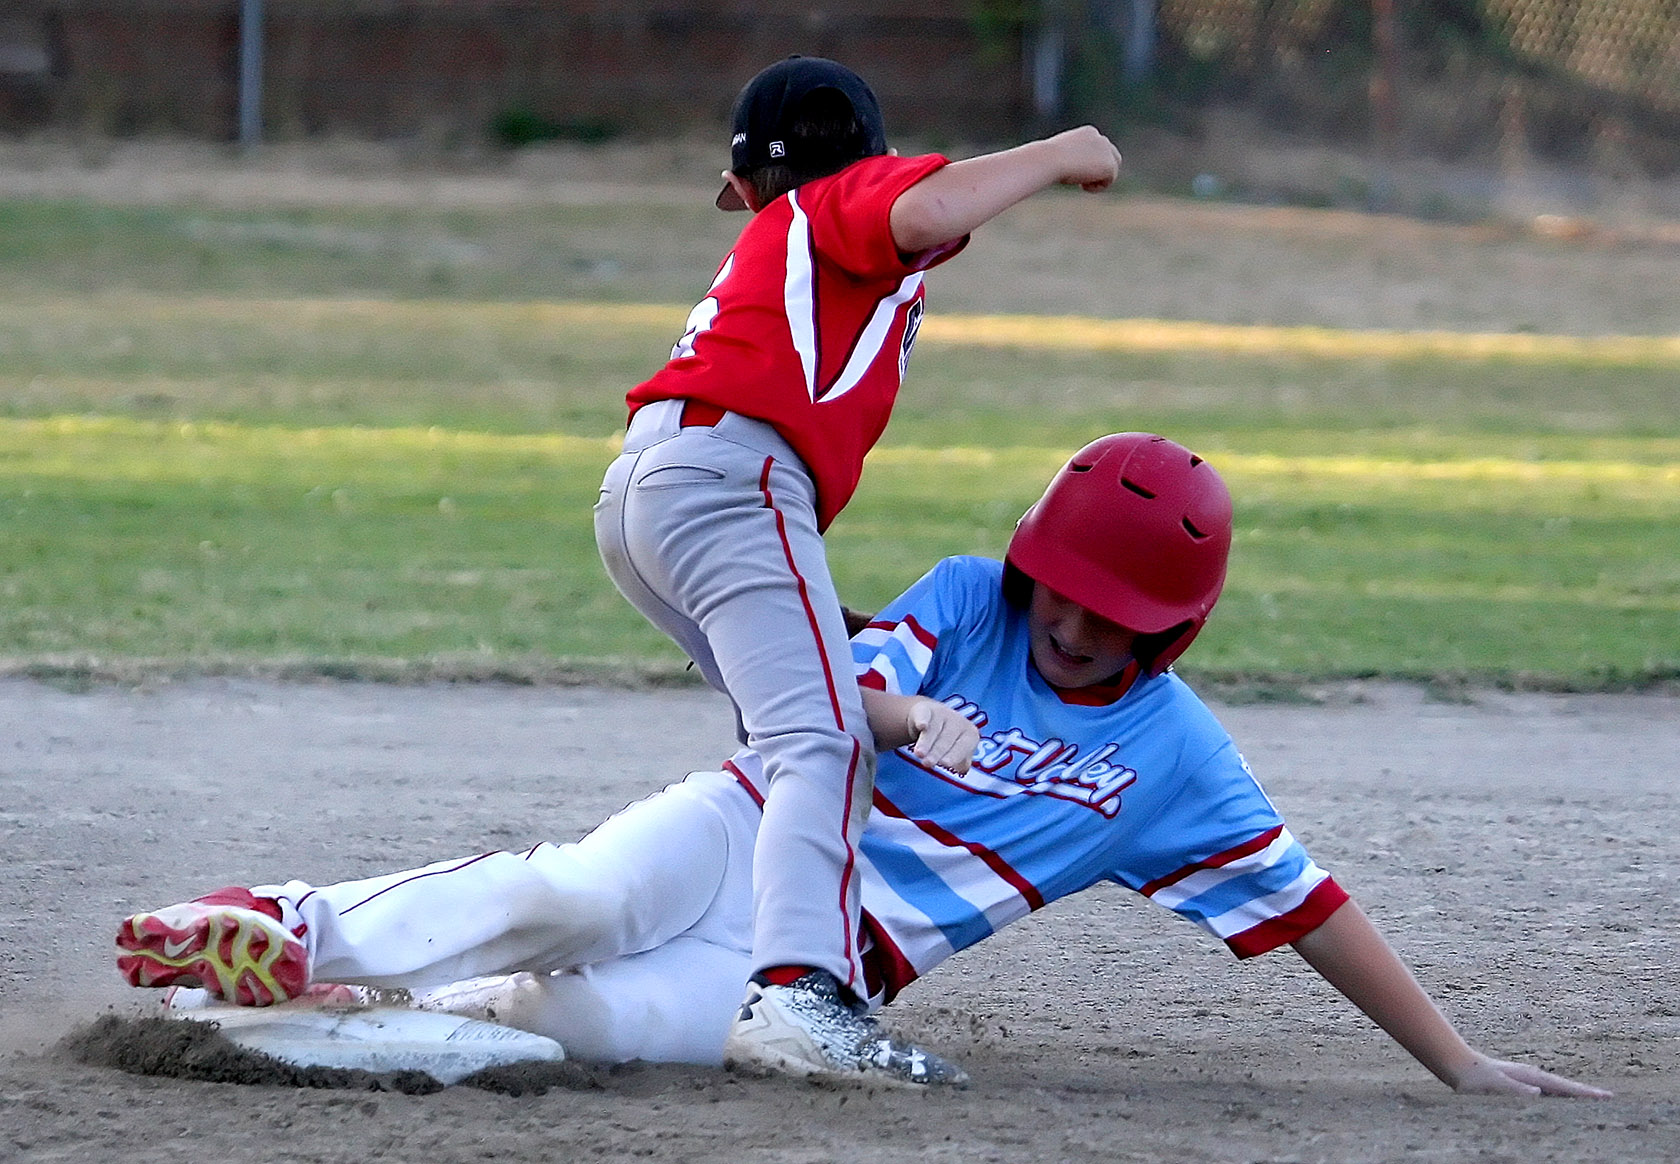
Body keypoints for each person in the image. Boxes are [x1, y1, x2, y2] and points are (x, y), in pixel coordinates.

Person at [117, 434, 1609, 1097]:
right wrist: (901, 724)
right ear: (1031, 563)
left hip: (827, 967)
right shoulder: (970, 595)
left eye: (1119, 617)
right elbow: (849, 684)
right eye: (1064, 593)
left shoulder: (1175, 758)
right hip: (759, 825)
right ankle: (289, 925)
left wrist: (1460, 1062)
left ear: (1181, 627)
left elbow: (1310, 906)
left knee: (580, 1032)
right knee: (568, 899)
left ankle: (291, 1026)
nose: (1077, 630)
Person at [589, 54, 1123, 1077]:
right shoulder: (839, 203)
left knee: (811, 720)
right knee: (822, 745)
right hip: (732, 475)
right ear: (868, 156)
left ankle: (695, 944)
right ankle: (800, 997)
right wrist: (1059, 151)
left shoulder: (787, 231)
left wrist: (914, 710)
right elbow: (920, 214)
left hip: (651, 492)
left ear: (747, 189)